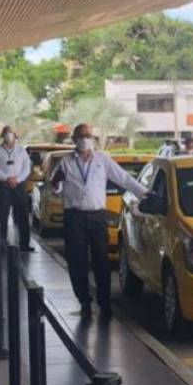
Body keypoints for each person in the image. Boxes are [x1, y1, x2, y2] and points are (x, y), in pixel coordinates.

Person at [50, 124, 149, 318]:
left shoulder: (102, 160)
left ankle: (104, 304)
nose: (85, 139)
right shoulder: (66, 162)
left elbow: (124, 179)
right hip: (74, 217)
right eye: (81, 135)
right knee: (77, 262)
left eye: (88, 135)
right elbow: (56, 189)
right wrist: (56, 181)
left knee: (101, 261)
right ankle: (84, 302)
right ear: (74, 139)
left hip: (97, 216)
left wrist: (146, 194)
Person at [0, 125, 35, 253]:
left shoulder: (21, 150)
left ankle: (25, 245)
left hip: (19, 186)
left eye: (11, 133)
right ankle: (1, 244)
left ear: (16, 136)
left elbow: (27, 167)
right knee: (2, 216)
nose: (8, 135)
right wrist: (7, 179)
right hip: (4, 187)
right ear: (2, 136)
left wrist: (17, 179)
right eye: (6, 133)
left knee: (23, 216)